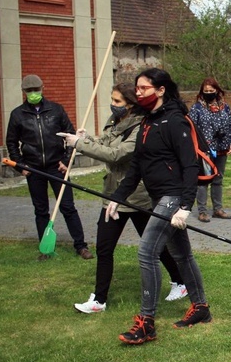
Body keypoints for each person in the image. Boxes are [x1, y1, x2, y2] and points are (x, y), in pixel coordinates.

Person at [57, 83, 189, 314]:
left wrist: (80, 145)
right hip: (112, 196)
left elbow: (117, 155)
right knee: (105, 248)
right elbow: (105, 144)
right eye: (112, 100)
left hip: (136, 197)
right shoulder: (114, 121)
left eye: (117, 101)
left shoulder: (141, 127)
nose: (113, 105)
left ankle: (180, 282)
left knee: (155, 247)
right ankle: (99, 300)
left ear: (130, 104)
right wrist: (86, 139)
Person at [106, 68, 212, 344]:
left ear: (161, 90)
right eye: (137, 89)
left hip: (173, 198)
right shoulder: (147, 122)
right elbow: (137, 167)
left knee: (146, 252)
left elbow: (190, 166)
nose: (138, 93)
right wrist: (118, 197)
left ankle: (147, 323)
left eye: (143, 88)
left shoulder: (176, 121)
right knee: (182, 255)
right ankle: (201, 308)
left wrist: (185, 206)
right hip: (158, 198)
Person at [5, 74, 93, 261]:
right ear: (24, 92)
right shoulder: (17, 115)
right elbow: (11, 143)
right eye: (29, 91)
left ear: (42, 88)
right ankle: (45, 249)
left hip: (57, 167)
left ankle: (81, 246)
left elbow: (70, 136)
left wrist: (67, 161)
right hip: (34, 169)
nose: (33, 93)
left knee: (68, 207)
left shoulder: (56, 110)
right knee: (41, 210)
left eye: (36, 90)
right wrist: (21, 166)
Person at [188, 77, 231, 223]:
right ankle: (202, 211)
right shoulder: (197, 108)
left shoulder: (224, 107)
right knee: (204, 180)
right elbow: (191, 128)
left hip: (222, 148)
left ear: (217, 90)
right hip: (205, 150)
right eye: (206, 91)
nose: (209, 93)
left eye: (212, 90)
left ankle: (218, 209)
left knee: (218, 179)